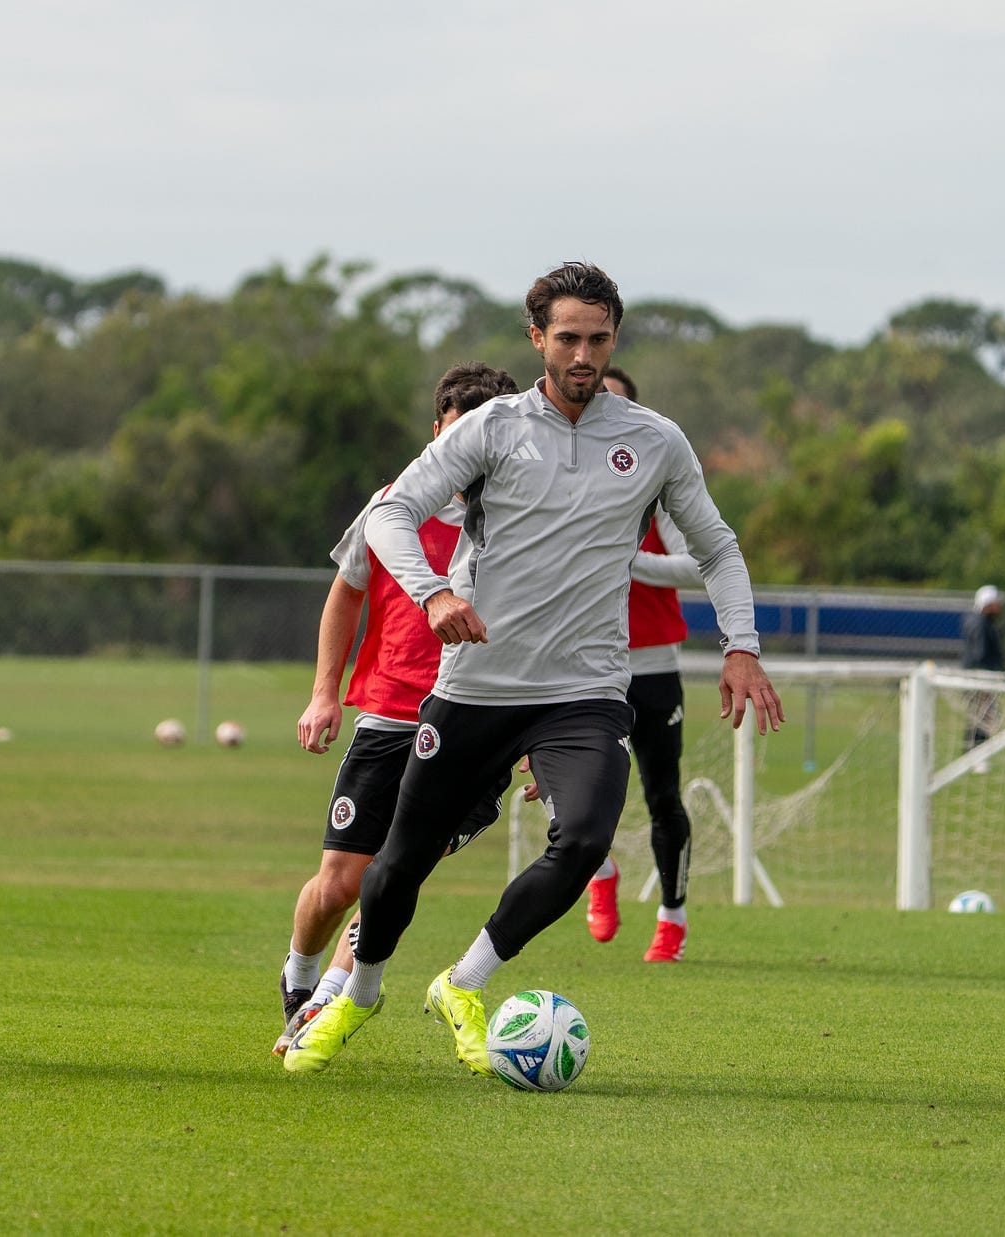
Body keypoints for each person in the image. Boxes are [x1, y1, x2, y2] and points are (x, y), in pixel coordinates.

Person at [284, 262, 783, 1077]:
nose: (583, 354)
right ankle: (360, 994)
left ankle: (464, 981)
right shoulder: (493, 428)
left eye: (598, 338)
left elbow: (718, 547)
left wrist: (741, 644)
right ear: (537, 338)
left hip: (584, 692)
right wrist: (434, 590)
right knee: (396, 866)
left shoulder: (655, 440)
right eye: (568, 338)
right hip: (475, 687)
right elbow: (391, 513)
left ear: (614, 337)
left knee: (584, 836)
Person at [274, 363, 519, 1057]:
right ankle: (300, 975)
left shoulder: (521, 520)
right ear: (439, 430)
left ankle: (325, 1008)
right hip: (386, 713)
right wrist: (325, 691)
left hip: (474, 721)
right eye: (459, 427)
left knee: (394, 873)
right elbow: (346, 591)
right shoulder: (393, 505)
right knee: (340, 883)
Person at [578, 365, 704, 963]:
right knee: (571, 789)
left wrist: (631, 560)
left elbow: (701, 564)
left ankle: (672, 919)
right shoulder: (562, 483)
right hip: (581, 664)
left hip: (652, 668)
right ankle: (599, 871)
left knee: (663, 796)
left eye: (616, 402)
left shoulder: (659, 490)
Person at [961, 584, 1005, 753]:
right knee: (981, 716)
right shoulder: (980, 624)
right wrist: (985, 682)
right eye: (997, 603)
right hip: (979, 679)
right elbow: (980, 655)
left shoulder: (981, 622)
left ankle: (976, 751)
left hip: (980, 677)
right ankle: (975, 752)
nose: (1000, 607)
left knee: (983, 716)